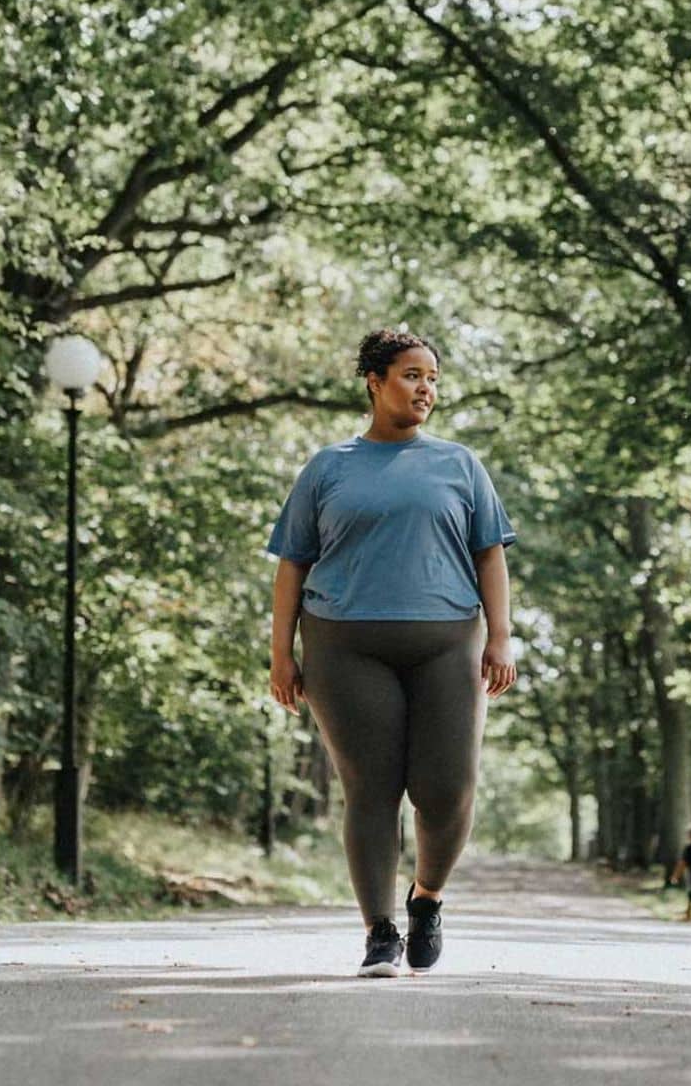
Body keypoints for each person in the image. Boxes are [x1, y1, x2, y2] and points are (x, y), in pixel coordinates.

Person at [266, 327, 518, 977]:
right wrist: (281, 654)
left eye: (432, 377)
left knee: (446, 789)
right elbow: (293, 564)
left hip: (447, 642)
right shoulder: (328, 467)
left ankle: (426, 898)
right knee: (371, 790)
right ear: (374, 382)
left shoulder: (460, 465)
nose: (425, 387)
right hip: (345, 644)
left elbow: (489, 553)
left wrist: (499, 635)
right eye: (411, 374)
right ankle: (379, 932)